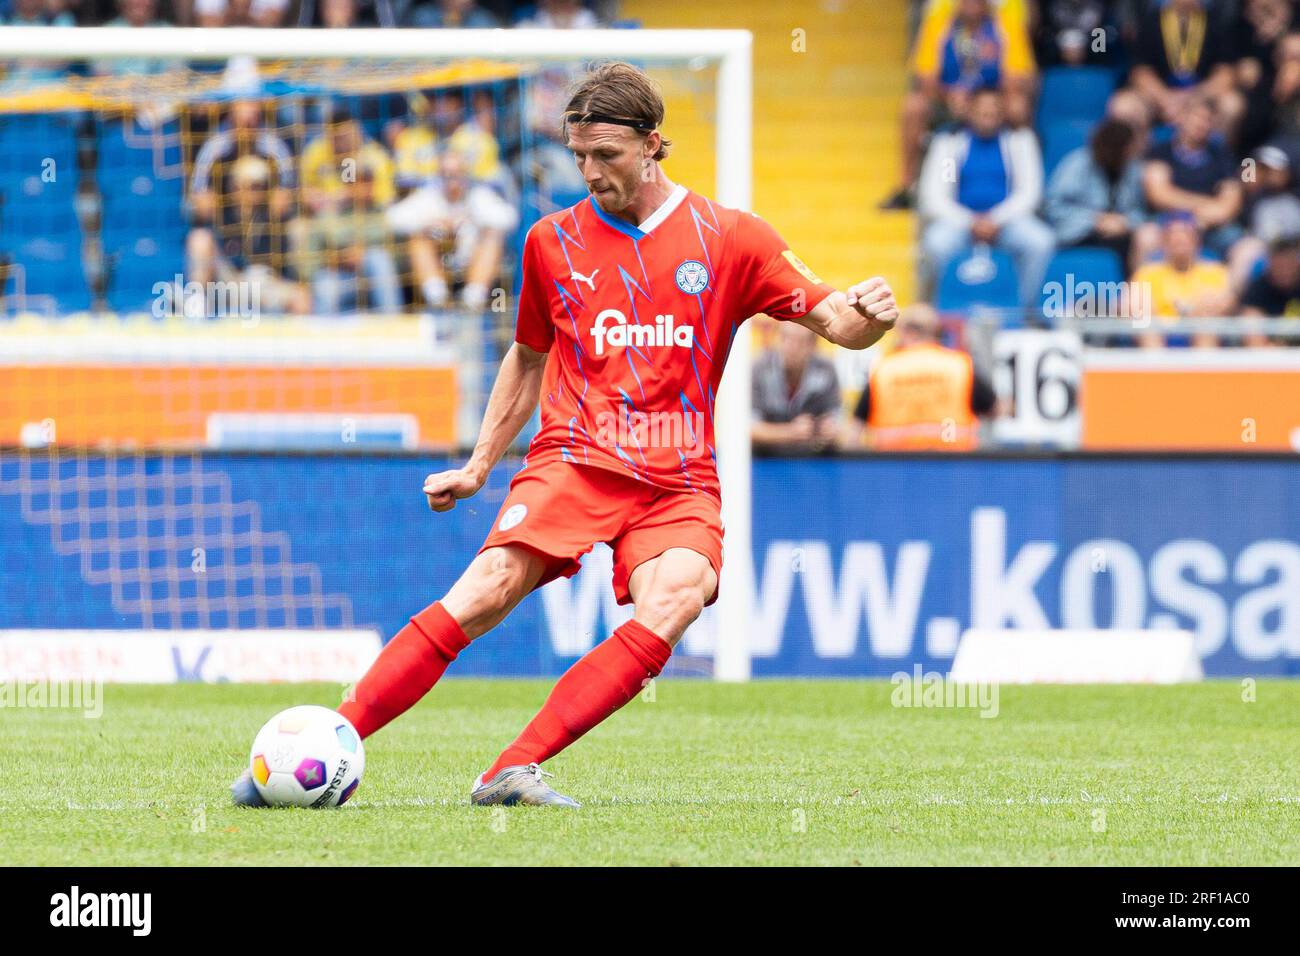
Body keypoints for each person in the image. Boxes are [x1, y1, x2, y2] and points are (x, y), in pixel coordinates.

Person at [229, 61, 900, 809]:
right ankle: (326, 743)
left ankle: (510, 770)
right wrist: (480, 465)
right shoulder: (551, 242)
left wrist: (870, 316)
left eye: (605, 156)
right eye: (578, 155)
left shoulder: (732, 239)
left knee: (677, 597)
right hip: (576, 456)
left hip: (678, 476)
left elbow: (839, 323)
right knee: (487, 590)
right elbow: (526, 356)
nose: (589, 172)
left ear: (653, 145)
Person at [884, 0, 1036, 209]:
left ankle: (1022, 186)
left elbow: (1018, 78)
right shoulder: (939, 23)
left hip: (991, 100)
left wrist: (980, 99)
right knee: (913, 106)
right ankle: (907, 187)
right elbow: (924, 78)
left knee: (1018, 106)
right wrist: (949, 95)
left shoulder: (1005, 24)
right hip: (947, 100)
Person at [918, 85, 1055, 309]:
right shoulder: (950, 144)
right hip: (960, 222)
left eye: (993, 111)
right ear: (969, 111)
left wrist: (995, 220)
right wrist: (971, 222)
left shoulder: (1020, 141)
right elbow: (937, 195)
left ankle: (1023, 310)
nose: (987, 117)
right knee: (936, 243)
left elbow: (1029, 193)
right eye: (982, 111)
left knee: (1040, 242)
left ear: (1002, 113)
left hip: (1007, 222)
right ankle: (942, 310)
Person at [849, 303, 996, 449]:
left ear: (909, 332)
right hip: (951, 464)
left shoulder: (884, 369)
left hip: (894, 466)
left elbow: (855, 429)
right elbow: (994, 409)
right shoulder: (959, 366)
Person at [385, 151, 518, 310]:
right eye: (445, 175)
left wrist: (470, 221)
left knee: (493, 238)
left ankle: (472, 301)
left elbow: (509, 219)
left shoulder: (478, 196)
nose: (451, 181)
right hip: (440, 263)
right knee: (418, 239)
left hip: (471, 260)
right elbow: (392, 219)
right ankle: (437, 300)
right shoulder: (429, 196)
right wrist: (430, 224)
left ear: (465, 175)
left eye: (455, 175)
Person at [1142, 95, 1250, 283]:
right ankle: (1143, 301)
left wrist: (1202, 217)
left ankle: (1226, 304)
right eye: (1196, 117)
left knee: (1248, 247)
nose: (1201, 124)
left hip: (1211, 225)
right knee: (1146, 237)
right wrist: (1201, 208)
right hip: (1169, 221)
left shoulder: (1222, 154)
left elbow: (1229, 204)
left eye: (1207, 119)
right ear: (1182, 118)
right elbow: (1159, 194)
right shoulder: (1160, 151)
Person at [1043, 117, 1156, 272]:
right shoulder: (1078, 164)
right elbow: (1053, 207)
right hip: (1078, 233)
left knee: (1146, 236)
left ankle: (1134, 293)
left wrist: (1124, 222)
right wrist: (1096, 220)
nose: (1132, 151)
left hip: (1120, 234)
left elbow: (1140, 211)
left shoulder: (1132, 169)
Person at [1130, 212, 1233, 347]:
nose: (1179, 241)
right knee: (1142, 314)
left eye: (1185, 237)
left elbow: (1228, 302)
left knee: (1207, 318)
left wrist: (1200, 310)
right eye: (1173, 237)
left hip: (1201, 331)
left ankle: (1203, 366)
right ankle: (1156, 365)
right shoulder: (1147, 273)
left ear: (1196, 241)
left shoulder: (1215, 272)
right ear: (1164, 242)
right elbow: (1130, 304)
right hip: (1158, 334)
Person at [750, 321, 842, 453]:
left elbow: (838, 423)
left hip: (815, 463)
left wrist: (829, 430)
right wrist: (791, 432)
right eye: (785, 338)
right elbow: (749, 428)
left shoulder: (826, 370)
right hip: (765, 460)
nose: (791, 347)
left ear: (813, 345)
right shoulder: (759, 368)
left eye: (800, 341)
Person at [1239, 234, 1300, 344]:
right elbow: (1253, 337)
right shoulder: (1258, 289)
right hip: (1270, 355)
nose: (1284, 268)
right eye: (1280, 262)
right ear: (1270, 262)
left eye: (1289, 261)